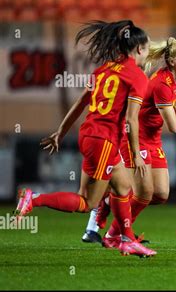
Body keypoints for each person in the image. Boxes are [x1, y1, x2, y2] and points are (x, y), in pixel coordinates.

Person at [15, 20, 156, 257]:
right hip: (104, 140)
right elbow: (132, 120)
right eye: (148, 49)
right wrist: (135, 155)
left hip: (91, 135)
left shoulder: (104, 69)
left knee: (123, 188)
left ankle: (127, 240)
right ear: (140, 49)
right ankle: (34, 198)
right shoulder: (138, 77)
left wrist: (61, 131)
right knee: (87, 202)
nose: (148, 54)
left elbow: (81, 102)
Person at [83, 38, 176, 248]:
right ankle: (115, 233)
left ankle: (108, 203)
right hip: (135, 139)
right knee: (143, 194)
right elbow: (174, 126)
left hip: (153, 141)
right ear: (171, 60)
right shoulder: (161, 83)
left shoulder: (175, 78)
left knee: (160, 194)